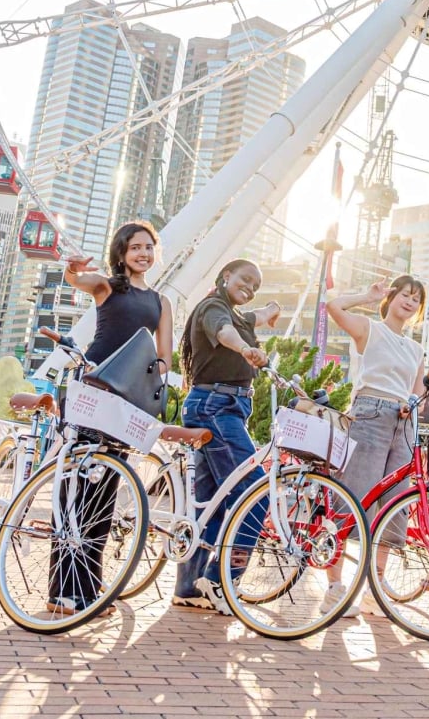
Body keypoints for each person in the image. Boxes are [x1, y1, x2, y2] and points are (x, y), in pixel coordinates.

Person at [52, 221, 174, 617]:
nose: (143, 253)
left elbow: (165, 357)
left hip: (130, 399)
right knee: (78, 487)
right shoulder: (107, 286)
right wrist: (72, 268)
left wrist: (157, 384)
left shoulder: (161, 301)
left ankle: (89, 585)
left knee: (107, 491)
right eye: (135, 247)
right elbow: (78, 279)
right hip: (95, 388)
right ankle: (63, 591)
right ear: (121, 253)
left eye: (148, 247)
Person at [173, 258, 281, 613]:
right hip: (217, 407)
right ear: (224, 276)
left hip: (218, 407)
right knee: (254, 494)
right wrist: (245, 349)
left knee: (210, 502)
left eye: (255, 285)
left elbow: (257, 315)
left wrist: (272, 309)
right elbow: (224, 332)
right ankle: (223, 582)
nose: (249, 287)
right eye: (244, 279)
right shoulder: (213, 308)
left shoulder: (240, 315)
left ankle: (189, 587)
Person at [322, 274, 429, 614]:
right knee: (351, 498)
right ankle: (336, 587)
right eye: (405, 294)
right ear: (392, 296)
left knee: (393, 505)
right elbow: (333, 307)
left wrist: (415, 403)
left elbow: (417, 391)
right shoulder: (370, 329)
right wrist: (366, 295)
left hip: (404, 421)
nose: (409, 301)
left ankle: (375, 585)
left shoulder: (416, 348)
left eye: (416, 298)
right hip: (370, 413)